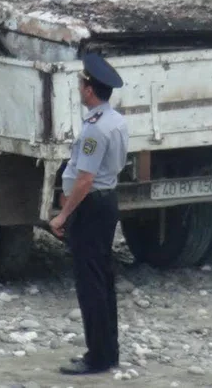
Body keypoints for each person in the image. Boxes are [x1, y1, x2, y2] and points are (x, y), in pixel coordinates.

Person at [49, 52, 128, 376]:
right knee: (103, 278)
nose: (79, 87)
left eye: (82, 83)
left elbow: (85, 179)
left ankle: (97, 357)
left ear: (91, 90)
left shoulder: (95, 129)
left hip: (91, 206)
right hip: (105, 203)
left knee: (91, 283)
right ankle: (108, 351)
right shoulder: (115, 120)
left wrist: (63, 215)